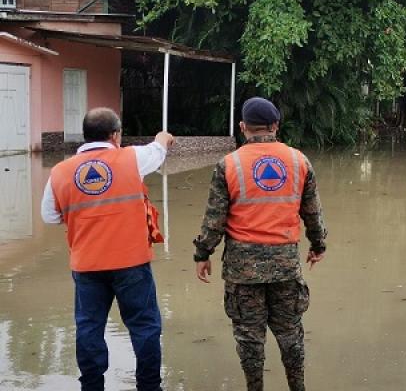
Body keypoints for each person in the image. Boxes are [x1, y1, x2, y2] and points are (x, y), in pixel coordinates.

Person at [193, 97, 327, 391]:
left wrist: (203, 253)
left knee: (249, 340)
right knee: (291, 335)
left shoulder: (228, 164)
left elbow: (214, 218)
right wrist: (318, 245)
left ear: (243, 127)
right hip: (286, 269)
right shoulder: (298, 161)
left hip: (243, 272)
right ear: (276, 126)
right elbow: (313, 213)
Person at [41, 108, 174, 391]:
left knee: (89, 328)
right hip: (132, 264)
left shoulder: (60, 172)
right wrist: (163, 138)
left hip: (87, 266)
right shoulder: (131, 158)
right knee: (145, 327)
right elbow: (157, 151)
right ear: (115, 135)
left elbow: (49, 216)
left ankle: (91, 385)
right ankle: (149, 386)